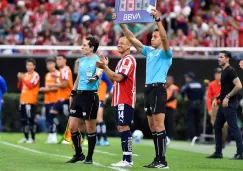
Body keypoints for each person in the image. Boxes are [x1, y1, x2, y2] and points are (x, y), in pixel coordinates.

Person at [117, 8, 172, 169]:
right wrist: (121, 24)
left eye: (154, 37)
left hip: (158, 89)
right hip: (148, 90)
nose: (152, 39)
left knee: (159, 125)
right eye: (152, 36)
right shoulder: (149, 52)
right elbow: (132, 39)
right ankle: (157, 158)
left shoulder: (166, 53)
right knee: (152, 126)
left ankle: (162, 160)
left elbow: (164, 36)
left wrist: (157, 20)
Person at [96, 36, 136, 167]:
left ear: (129, 46)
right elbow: (113, 80)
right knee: (121, 127)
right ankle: (126, 158)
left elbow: (118, 77)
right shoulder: (121, 61)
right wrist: (106, 67)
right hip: (119, 98)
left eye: (122, 43)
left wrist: (105, 67)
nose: (119, 45)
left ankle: (128, 159)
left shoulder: (128, 60)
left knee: (124, 126)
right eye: (118, 43)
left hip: (125, 98)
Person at [68, 35, 102, 164]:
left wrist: (95, 78)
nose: (82, 47)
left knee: (90, 129)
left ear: (92, 48)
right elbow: (78, 78)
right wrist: (72, 92)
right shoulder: (81, 60)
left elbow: (100, 71)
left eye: (84, 45)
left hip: (90, 96)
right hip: (79, 95)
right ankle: (79, 154)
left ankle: (89, 157)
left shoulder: (97, 59)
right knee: (72, 127)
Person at [207, 51, 243, 160]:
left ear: (227, 59)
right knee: (217, 126)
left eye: (221, 57)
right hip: (223, 105)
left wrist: (227, 97)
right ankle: (218, 152)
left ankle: (240, 153)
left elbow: (239, 86)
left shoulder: (231, 71)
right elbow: (224, 90)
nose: (219, 59)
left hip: (230, 104)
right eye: (218, 57)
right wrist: (217, 97)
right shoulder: (224, 71)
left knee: (234, 128)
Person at [48, 55, 73, 143]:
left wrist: (53, 84)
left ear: (65, 60)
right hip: (61, 98)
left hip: (67, 97)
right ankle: (63, 133)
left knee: (68, 118)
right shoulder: (62, 71)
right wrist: (57, 78)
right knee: (52, 114)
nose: (58, 61)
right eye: (57, 59)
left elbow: (64, 85)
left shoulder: (65, 70)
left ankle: (69, 137)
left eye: (60, 59)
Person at [17, 58, 40, 143]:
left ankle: (32, 138)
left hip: (30, 101)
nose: (29, 66)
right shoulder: (25, 75)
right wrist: (20, 79)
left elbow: (30, 86)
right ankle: (26, 137)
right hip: (23, 100)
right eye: (27, 65)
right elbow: (19, 87)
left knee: (30, 119)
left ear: (34, 66)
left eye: (30, 65)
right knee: (23, 120)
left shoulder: (35, 75)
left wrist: (22, 78)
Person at [39, 58, 60, 143]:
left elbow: (58, 87)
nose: (49, 66)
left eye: (51, 63)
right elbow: (47, 87)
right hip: (47, 100)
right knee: (48, 118)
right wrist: (45, 89)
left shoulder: (58, 74)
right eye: (47, 64)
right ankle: (51, 134)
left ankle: (53, 135)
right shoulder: (47, 75)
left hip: (55, 100)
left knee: (52, 118)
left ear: (54, 64)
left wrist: (45, 89)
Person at [207, 68, 228, 145]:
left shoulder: (226, 83)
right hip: (215, 107)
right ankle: (219, 142)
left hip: (225, 106)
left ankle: (223, 140)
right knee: (216, 125)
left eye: (219, 73)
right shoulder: (211, 84)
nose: (217, 75)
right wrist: (209, 109)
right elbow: (209, 98)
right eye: (216, 73)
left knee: (225, 125)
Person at [181, 72, 204, 141]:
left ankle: (191, 137)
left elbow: (182, 91)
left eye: (186, 77)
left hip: (190, 104)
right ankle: (198, 137)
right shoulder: (199, 84)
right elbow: (202, 94)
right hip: (198, 105)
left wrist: (185, 96)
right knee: (197, 121)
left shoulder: (187, 85)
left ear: (189, 78)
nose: (185, 79)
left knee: (190, 121)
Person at [96, 72, 112, 146]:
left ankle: (105, 139)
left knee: (99, 119)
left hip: (100, 99)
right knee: (96, 119)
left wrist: (106, 95)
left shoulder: (102, 73)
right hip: (94, 98)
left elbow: (110, 84)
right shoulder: (93, 72)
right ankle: (99, 139)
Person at [165, 76, 179, 143]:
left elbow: (174, 96)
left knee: (170, 122)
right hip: (165, 107)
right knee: (165, 121)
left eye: (168, 80)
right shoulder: (166, 87)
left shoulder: (174, 87)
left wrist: (165, 101)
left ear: (171, 80)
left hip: (171, 107)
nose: (167, 81)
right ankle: (166, 135)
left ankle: (171, 136)